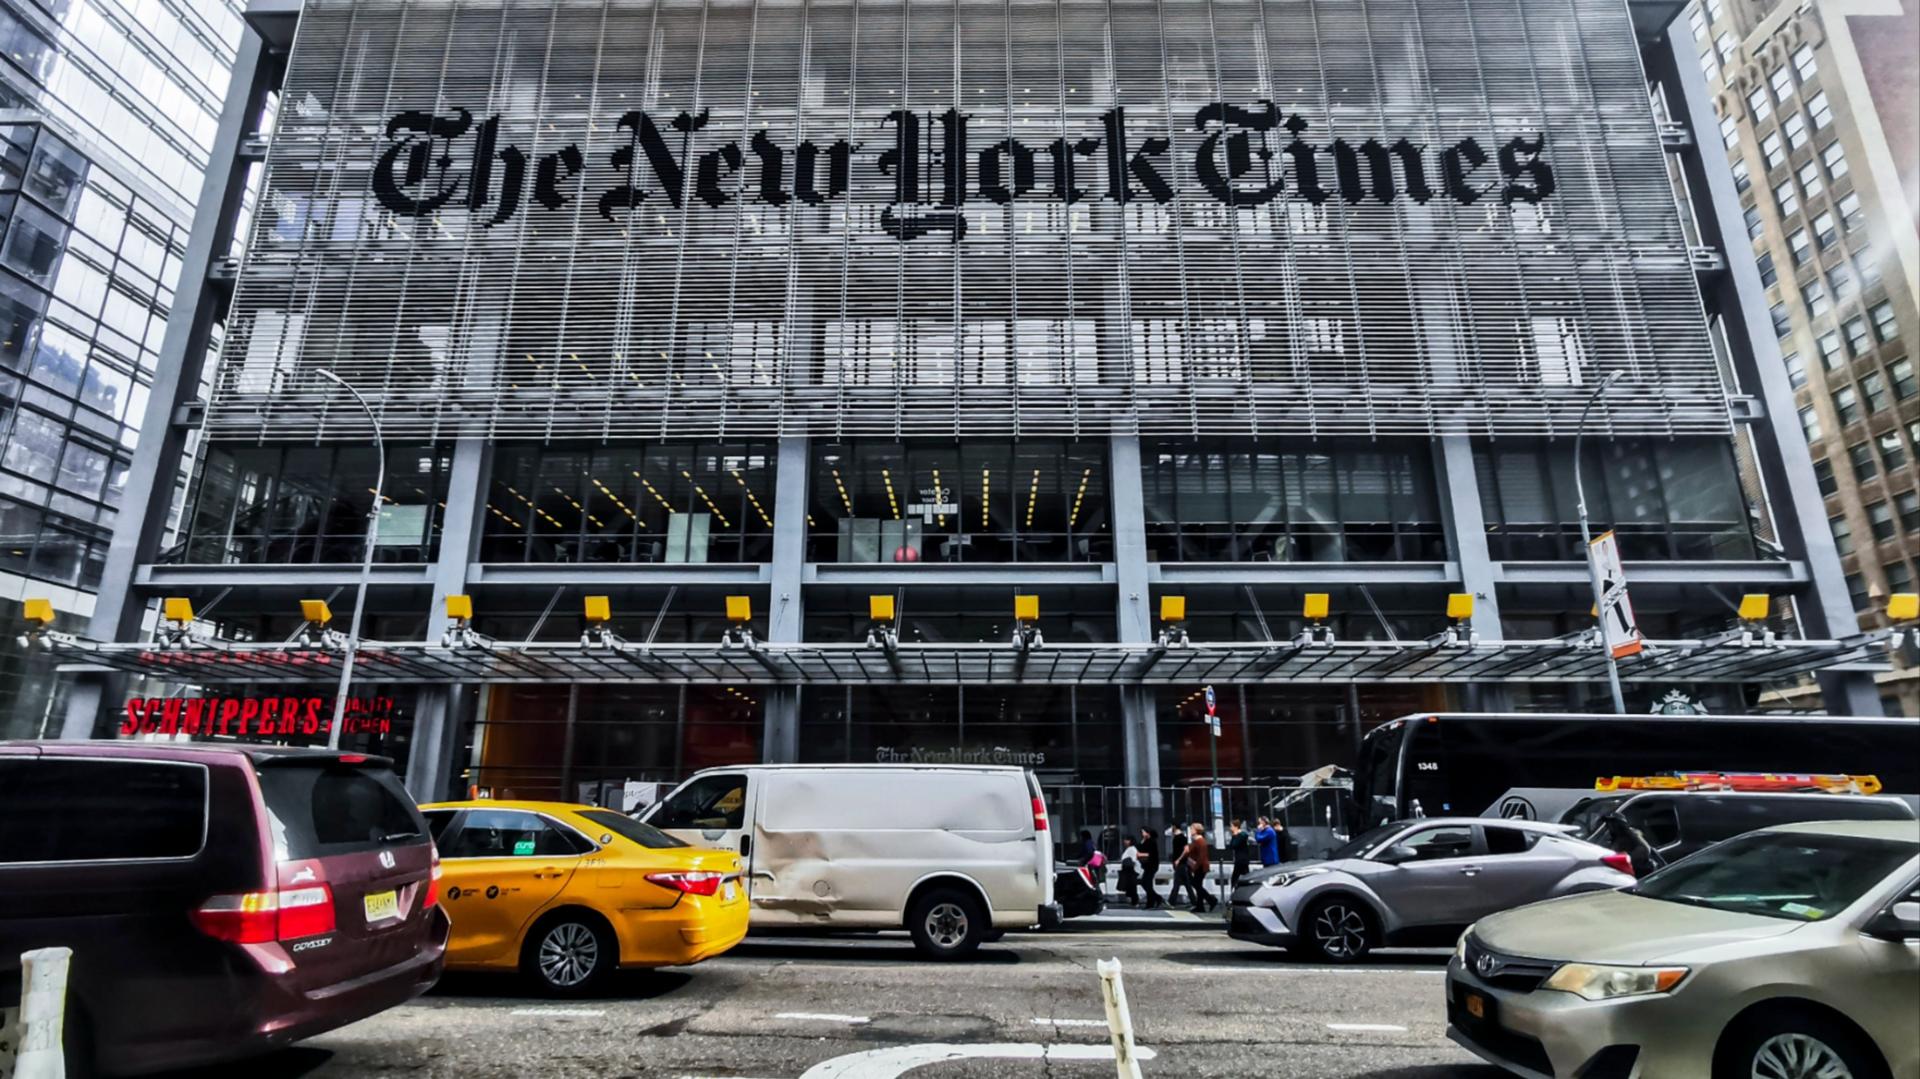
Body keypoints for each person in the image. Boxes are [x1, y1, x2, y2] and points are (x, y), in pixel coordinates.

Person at [1180, 823, 1217, 912]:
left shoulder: (1200, 841)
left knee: (1197, 885)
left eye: (1192, 829)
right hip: (1197, 866)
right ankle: (1201, 906)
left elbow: (1201, 856)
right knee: (1198, 885)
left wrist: (1194, 867)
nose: (1191, 830)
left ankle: (1211, 900)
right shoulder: (1196, 840)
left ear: (1197, 830)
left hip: (1200, 866)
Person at [1136, 827, 1164, 909]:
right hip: (1147, 866)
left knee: (1147, 884)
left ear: (1148, 833)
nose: (1142, 834)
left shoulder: (1152, 841)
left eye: (1143, 832)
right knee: (1145, 883)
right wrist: (1143, 840)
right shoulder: (1146, 841)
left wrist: (1141, 855)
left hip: (1152, 865)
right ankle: (1156, 898)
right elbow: (1140, 847)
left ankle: (1152, 901)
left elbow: (1150, 854)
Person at [1166, 822, 1191, 906]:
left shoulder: (1181, 837)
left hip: (1181, 863)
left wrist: (1178, 859)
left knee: (1177, 883)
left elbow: (1186, 850)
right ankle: (1194, 901)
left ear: (1174, 826)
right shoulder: (1177, 837)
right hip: (1180, 863)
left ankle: (1171, 901)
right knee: (1186, 884)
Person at [1117, 837, 1142, 906]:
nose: (1125, 841)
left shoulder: (1132, 849)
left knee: (1132, 886)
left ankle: (1135, 901)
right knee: (1130, 886)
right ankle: (1133, 900)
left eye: (1127, 840)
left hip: (1131, 870)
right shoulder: (1129, 849)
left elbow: (1133, 860)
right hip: (1129, 870)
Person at [1228, 820, 1252, 889]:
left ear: (1236, 827)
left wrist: (1234, 836)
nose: (1230, 828)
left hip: (1241, 859)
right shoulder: (1240, 835)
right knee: (1244, 876)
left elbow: (1234, 845)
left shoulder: (1242, 835)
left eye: (1231, 826)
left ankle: (1236, 889)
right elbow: (1231, 846)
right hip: (1240, 859)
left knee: (1236, 877)